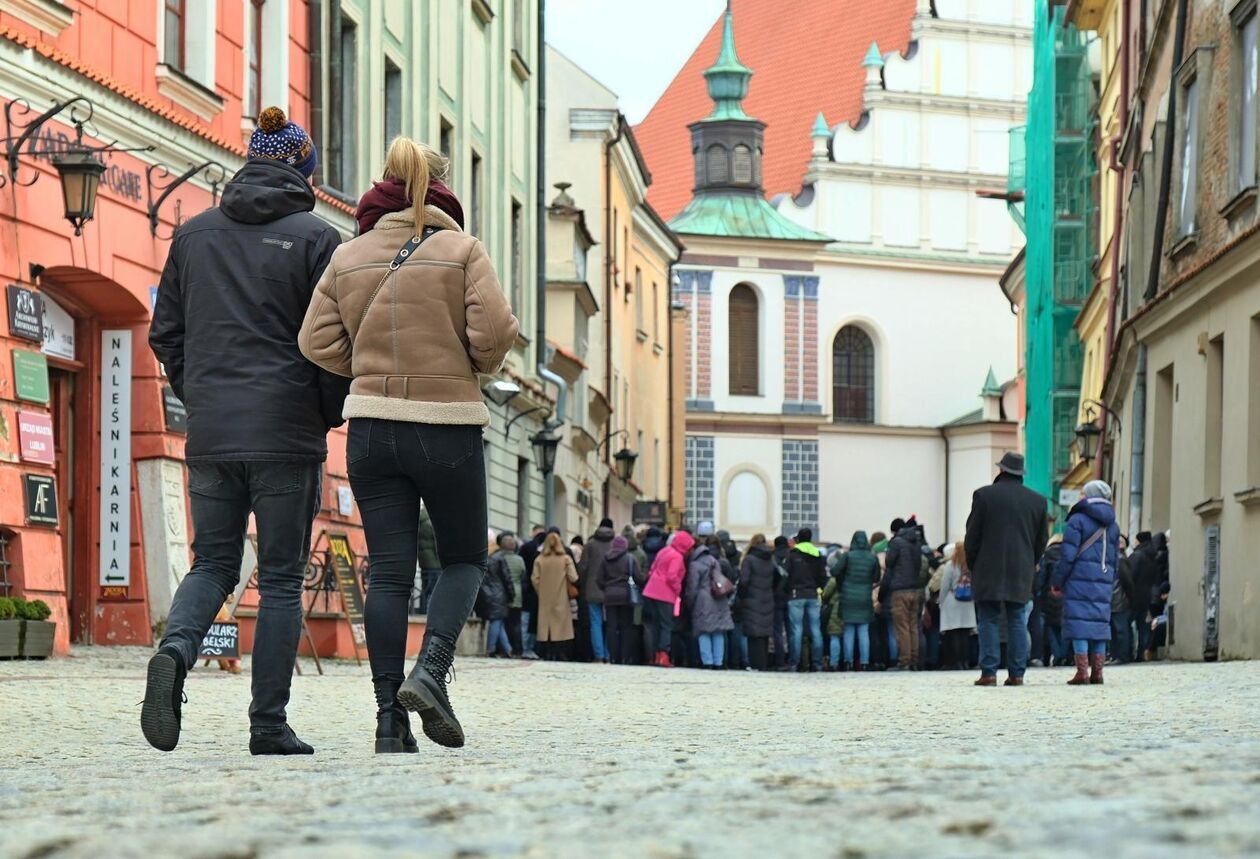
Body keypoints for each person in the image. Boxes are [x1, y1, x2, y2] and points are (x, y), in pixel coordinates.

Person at [299, 135, 518, 751]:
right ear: (441, 188)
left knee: (390, 574)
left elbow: (314, 342)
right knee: (464, 559)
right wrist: (470, 361)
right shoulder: (462, 249)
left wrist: (365, 366)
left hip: (370, 428)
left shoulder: (348, 255)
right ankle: (432, 672)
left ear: (382, 186)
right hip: (445, 423)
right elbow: (496, 331)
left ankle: (388, 722)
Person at [144, 107, 346, 756]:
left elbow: (165, 333)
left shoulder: (193, 234)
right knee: (283, 576)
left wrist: (200, 392)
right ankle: (267, 724)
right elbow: (331, 344)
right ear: (302, 171)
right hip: (287, 432)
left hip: (213, 429)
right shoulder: (318, 239)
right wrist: (324, 408)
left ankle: (175, 650)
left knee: (214, 562)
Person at [963, 452, 1049, 687]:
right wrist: (1030, 562)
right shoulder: (1038, 501)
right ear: (1021, 474)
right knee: (1017, 619)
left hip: (988, 567)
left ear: (1001, 471)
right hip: (1021, 568)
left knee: (988, 619)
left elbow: (972, 536)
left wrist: (974, 564)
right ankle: (1017, 674)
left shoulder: (984, 496)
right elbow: (1042, 540)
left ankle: (989, 672)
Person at [1053, 480, 1119, 686]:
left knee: (1079, 622)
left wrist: (1058, 580)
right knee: (1099, 623)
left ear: (1090, 496)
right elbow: (1116, 557)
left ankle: (1082, 671)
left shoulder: (1078, 519)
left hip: (1078, 579)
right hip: (1103, 578)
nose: (1080, 496)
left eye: (1083, 493)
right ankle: (1097, 672)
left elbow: (1068, 555)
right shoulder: (1113, 524)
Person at [642, 530, 694, 667]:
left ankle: (655, 656)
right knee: (666, 625)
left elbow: (652, 569)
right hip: (665, 594)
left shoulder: (664, 551)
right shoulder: (677, 557)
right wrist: (678, 590)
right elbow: (672, 576)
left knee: (655, 625)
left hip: (651, 591)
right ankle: (664, 656)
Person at [881, 518, 926, 670]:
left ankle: (904, 661)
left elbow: (889, 563)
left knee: (902, 627)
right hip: (914, 589)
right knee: (913, 625)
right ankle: (914, 660)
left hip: (899, 590)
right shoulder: (916, 542)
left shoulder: (896, 542)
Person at [685, 536, 735, 668]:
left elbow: (692, 587)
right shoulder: (714, 560)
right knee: (718, 631)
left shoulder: (695, 565)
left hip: (703, 600)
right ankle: (718, 662)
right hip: (718, 597)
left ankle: (707, 661)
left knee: (704, 630)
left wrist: (689, 603)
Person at [531, 532, 579, 661]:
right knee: (561, 626)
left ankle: (547, 653)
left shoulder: (540, 559)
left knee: (546, 625)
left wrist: (541, 592)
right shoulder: (565, 559)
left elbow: (535, 579)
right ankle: (560, 653)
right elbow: (574, 577)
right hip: (561, 596)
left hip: (544, 597)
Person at [784, 528, 826, 672]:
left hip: (796, 595)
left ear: (798, 539)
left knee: (796, 630)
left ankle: (794, 663)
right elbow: (822, 577)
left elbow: (786, 575)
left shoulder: (792, 555)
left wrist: (785, 591)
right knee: (816, 629)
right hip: (813, 595)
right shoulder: (818, 554)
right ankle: (817, 664)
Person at [597, 535, 643, 665]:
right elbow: (638, 578)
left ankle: (613, 657)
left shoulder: (605, 559)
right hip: (626, 596)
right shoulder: (630, 558)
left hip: (610, 595)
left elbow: (599, 579)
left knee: (611, 627)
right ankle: (624, 656)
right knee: (626, 627)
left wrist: (607, 588)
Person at [578, 519, 616, 663]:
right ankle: (608, 654)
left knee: (595, 622)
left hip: (592, 588)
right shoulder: (616, 544)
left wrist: (583, 583)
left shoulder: (590, 545)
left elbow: (583, 568)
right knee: (610, 623)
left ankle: (599, 655)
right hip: (611, 588)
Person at [736, 534, 777, 671]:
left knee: (753, 635)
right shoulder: (770, 559)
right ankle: (763, 664)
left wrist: (741, 596)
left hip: (752, 599)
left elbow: (744, 581)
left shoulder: (749, 559)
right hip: (768, 598)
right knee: (764, 634)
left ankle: (755, 664)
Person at [937, 542, 976, 671]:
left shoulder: (950, 565)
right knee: (965, 634)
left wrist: (940, 601)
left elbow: (945, 585)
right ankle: (965, 661)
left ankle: (955, 662)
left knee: (953, 633)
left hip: (952, 601)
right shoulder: (971, 565)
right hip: (968, 602)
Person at [479, 537, 516, 658]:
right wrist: (512, 594)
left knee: (498, 622)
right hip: (500, 594)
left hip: (488, 593)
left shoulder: (487, 559)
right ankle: (491, 648)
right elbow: (507, 578)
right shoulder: (499, 559)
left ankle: (508, 649)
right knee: (497, 621)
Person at [1036, 534, 1067, 666]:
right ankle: (1064, 655)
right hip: (1066, 594)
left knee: (1050, 627)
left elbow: (1042, 577)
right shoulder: (1069, 554)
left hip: (1049, 594)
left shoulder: (1047, 555)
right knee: (1064, 627)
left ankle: (1058, 654)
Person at [1109, 533, 1136, 664]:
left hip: (1118, 599)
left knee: (1120, 630)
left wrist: (1130, 599)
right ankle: (1118, 656)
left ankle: (1122, 656)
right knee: (1117, 630)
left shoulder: (1119, 559)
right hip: (1116, 599)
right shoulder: (1118, 558)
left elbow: (1127, 582)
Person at [770, 535, 791, 668]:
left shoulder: (772, 557)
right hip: (791, 595)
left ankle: (779, 660)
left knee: (777, 631)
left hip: (776, 596)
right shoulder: (792, 556)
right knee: (792, 630)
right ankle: (793, 659)